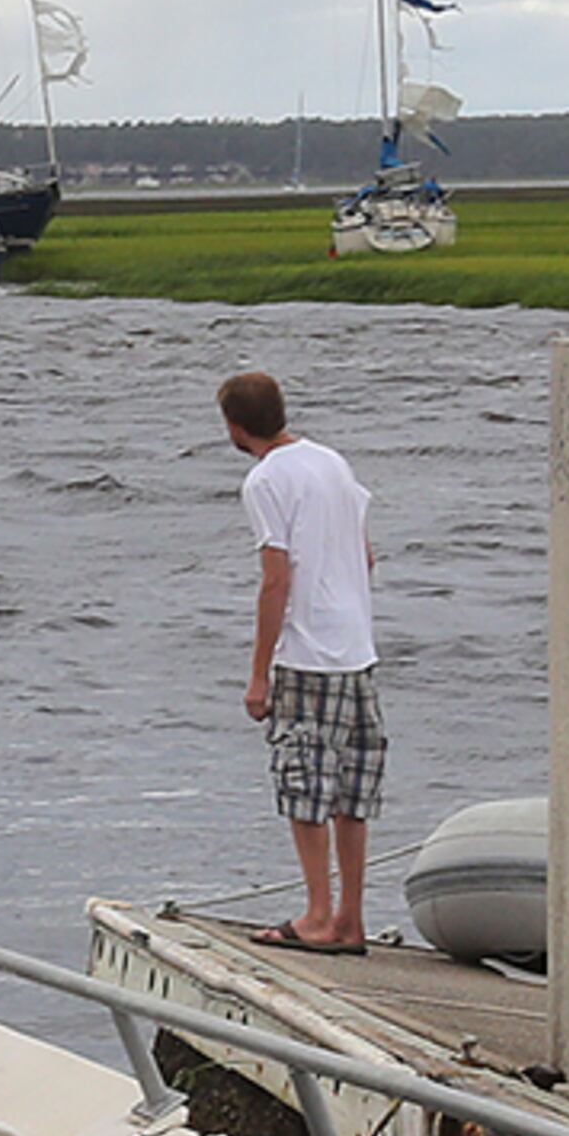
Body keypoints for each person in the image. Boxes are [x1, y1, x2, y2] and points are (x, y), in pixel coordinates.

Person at [218, 370, 382, 954]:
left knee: (304, 786)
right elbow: (366, 555)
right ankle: (350, 918)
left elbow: (275, 580)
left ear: (234, 427)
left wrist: (260, 672)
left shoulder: (265, 481)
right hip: (358, 651)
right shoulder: (331, 462)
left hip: (308, 655)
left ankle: (317, 915)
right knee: (350, 791)